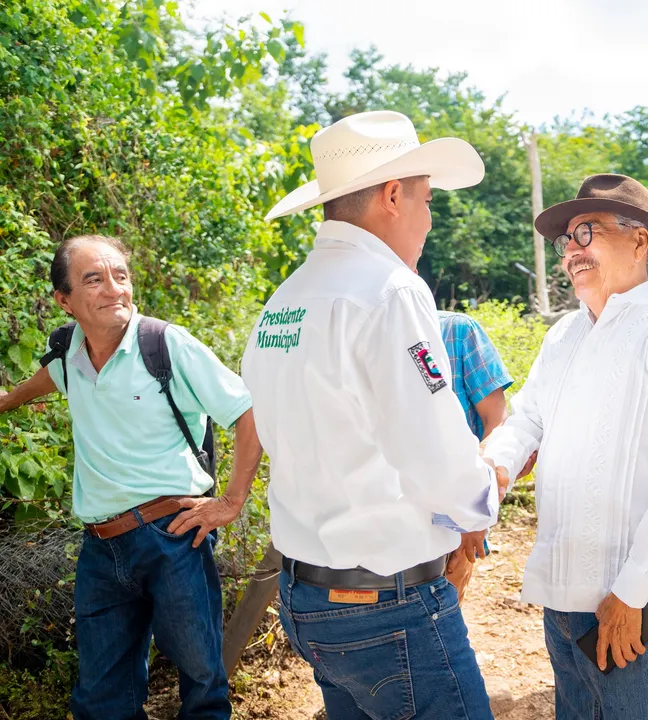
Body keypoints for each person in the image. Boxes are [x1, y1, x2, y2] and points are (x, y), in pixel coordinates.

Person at [242, 111, 502, 720]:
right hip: (389, 606)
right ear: (392, 195)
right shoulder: (390, 289)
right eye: (428, 200)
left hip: (309, 596)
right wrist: (485, 490)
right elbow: (438, 452)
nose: (430, 219)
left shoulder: (285, 300)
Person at [483, 174, 648, 720]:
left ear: (640, 239)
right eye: (565, 239)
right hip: (560, 586)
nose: (571, 249)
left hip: (626, 595)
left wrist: (632, 592)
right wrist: (494, 465)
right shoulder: (565, 334)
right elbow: (528, 421)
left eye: (586, 231)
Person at [0, 234, 261, 720]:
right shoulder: (68, 354)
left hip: (173, 538)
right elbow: (42, 381)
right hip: (101, 548)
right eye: (94, 280)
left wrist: (230, 502)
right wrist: (8, 400)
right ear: (64, 300)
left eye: (120, 276)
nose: (114, 289)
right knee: (101, 701)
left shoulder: (165, 345)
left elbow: (248, 413)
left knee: (202, 687)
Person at [437, 310, 513, 600]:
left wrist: (473, 516)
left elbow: (498, 422)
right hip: (381, 528)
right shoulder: (357, 329)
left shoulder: (456, 331)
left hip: (452, 522)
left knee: (443, 621)